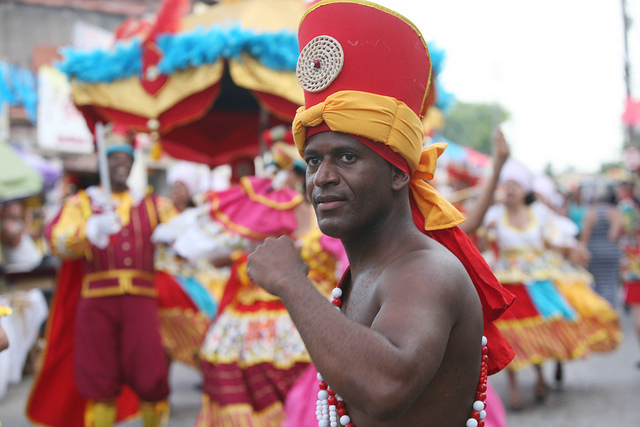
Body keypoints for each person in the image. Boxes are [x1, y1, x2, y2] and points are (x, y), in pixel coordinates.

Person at [246, 2, 515, 425]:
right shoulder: (370, 269)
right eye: (313, 161)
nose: (322, 178)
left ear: (397, 173)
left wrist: (291, 283)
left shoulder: (425, 270)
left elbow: (385, 388)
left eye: (347, 157)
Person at [26, 123, 177, 427]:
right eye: (113, 158)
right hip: (96, 304)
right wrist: (88, 230)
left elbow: (180, 238)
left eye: (126, 157)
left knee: (151, 374)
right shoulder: (82, 203)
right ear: (102, 163)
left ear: (133, 163)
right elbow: (57, 240)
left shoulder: (153, 203)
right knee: (98, 377)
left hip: (141, 301)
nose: (120, 163)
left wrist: (174, 235)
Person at [580, 182, 623, 306]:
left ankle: (600, 312)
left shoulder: (591, 212)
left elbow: (585, 236)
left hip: (594, 252)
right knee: (610, 284)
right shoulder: (615, 212)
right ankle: (611, 312)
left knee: (596, 283)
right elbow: (613, 236)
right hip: (610, 251)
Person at [1, 199, 43, 273]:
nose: (18, 207)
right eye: (14, 205)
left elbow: (37, 235)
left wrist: (43, 221)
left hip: (33, 265)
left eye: (18, 204)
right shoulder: (4, 226)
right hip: (19, 268)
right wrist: (25, 224)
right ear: (6, 209)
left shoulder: (19, 223)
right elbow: (14, 244)